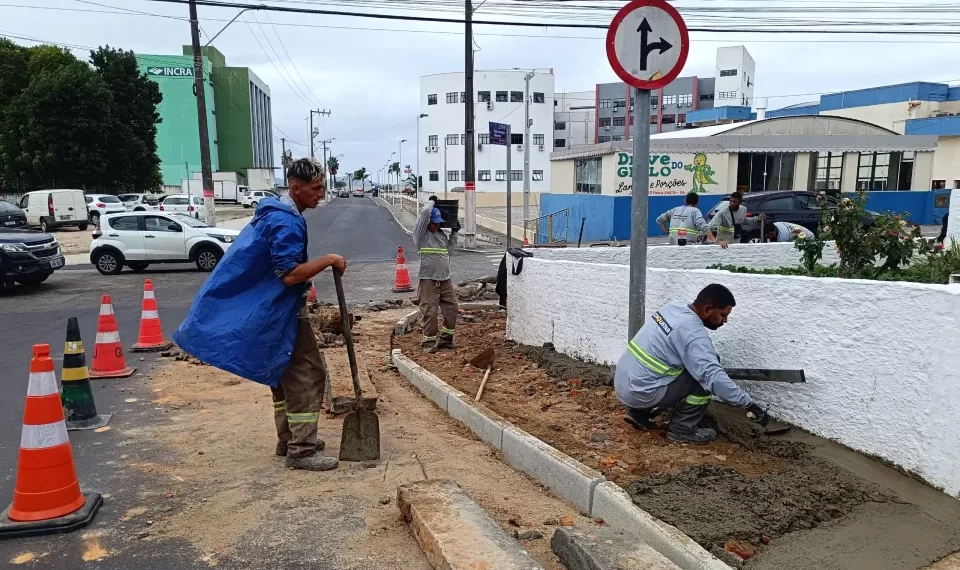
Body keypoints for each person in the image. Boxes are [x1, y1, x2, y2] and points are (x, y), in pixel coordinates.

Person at [173, 158, 346, 472]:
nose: (321, 194)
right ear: (296, 188)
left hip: (275, 308)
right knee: (308, 375)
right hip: (281, 309)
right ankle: (302, 449)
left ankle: (288, 439)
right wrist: (328, 260)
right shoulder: (286, 222)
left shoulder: (275, 214)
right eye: (316, 188)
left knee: (282, 374)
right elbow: (289, 274)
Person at [614, 284, 768, 444]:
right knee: (705, 375)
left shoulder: (672, 307)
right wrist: (748, 404)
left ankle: (638, 414)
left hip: (622, 383)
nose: (725, 321)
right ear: (708, 309)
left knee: (692, 365)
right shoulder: (693, 334)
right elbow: (713, 377)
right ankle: (682, 429)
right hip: (642, 394)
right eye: (723, 315)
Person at [414, 197, 459, 352]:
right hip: (428, 281)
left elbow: (450, 252)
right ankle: (428, 343)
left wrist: (454, 233)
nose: (435, 225)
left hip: (445, 281)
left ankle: (445, 341)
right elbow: (425, 212)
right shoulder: (421, 235)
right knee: (430, 312)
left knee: (452, 310)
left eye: (438, 222)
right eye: (433, 222)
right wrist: (432, 202)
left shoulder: (441, 236)